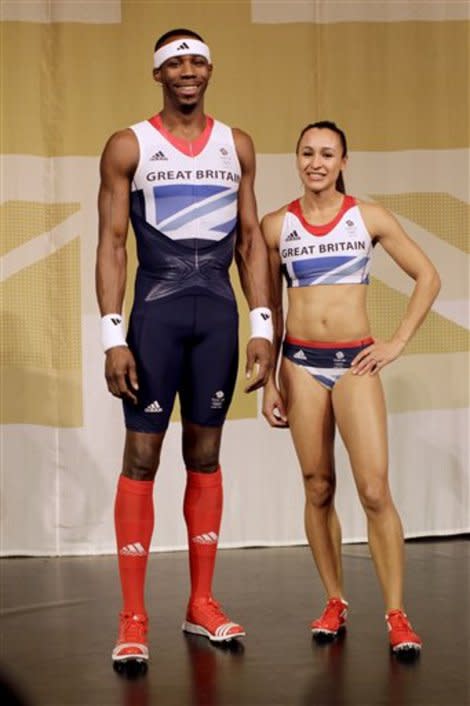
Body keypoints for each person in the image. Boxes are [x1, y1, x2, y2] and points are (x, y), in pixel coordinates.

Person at [95, 28, 273, 667]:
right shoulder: (129, 145)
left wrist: (262, 325)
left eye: (198, 59)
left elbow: (251, 238)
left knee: (206, 454)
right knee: (141, 459)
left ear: (210, 69)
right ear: (158, 75)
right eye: (176, 62)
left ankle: (201, 604)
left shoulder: (238, 144)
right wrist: (113, 336)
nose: (189, 70)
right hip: (156, 316)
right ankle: (133, 616)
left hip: (218, 319)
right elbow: (112, 243)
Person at [261, 120, 440, 656]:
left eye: (327, 154)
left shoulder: (369, 217)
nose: (316, 162)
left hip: (354, 364)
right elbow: (267, 310)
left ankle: (397, 612)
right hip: (299, 365)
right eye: (307, 153)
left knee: (373, 490)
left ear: (344, 161)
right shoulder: (275, 227)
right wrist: (270, 380)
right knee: (317, 486)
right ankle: (335, 599)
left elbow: (428, 276)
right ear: (297, 159)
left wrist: (397, 342)